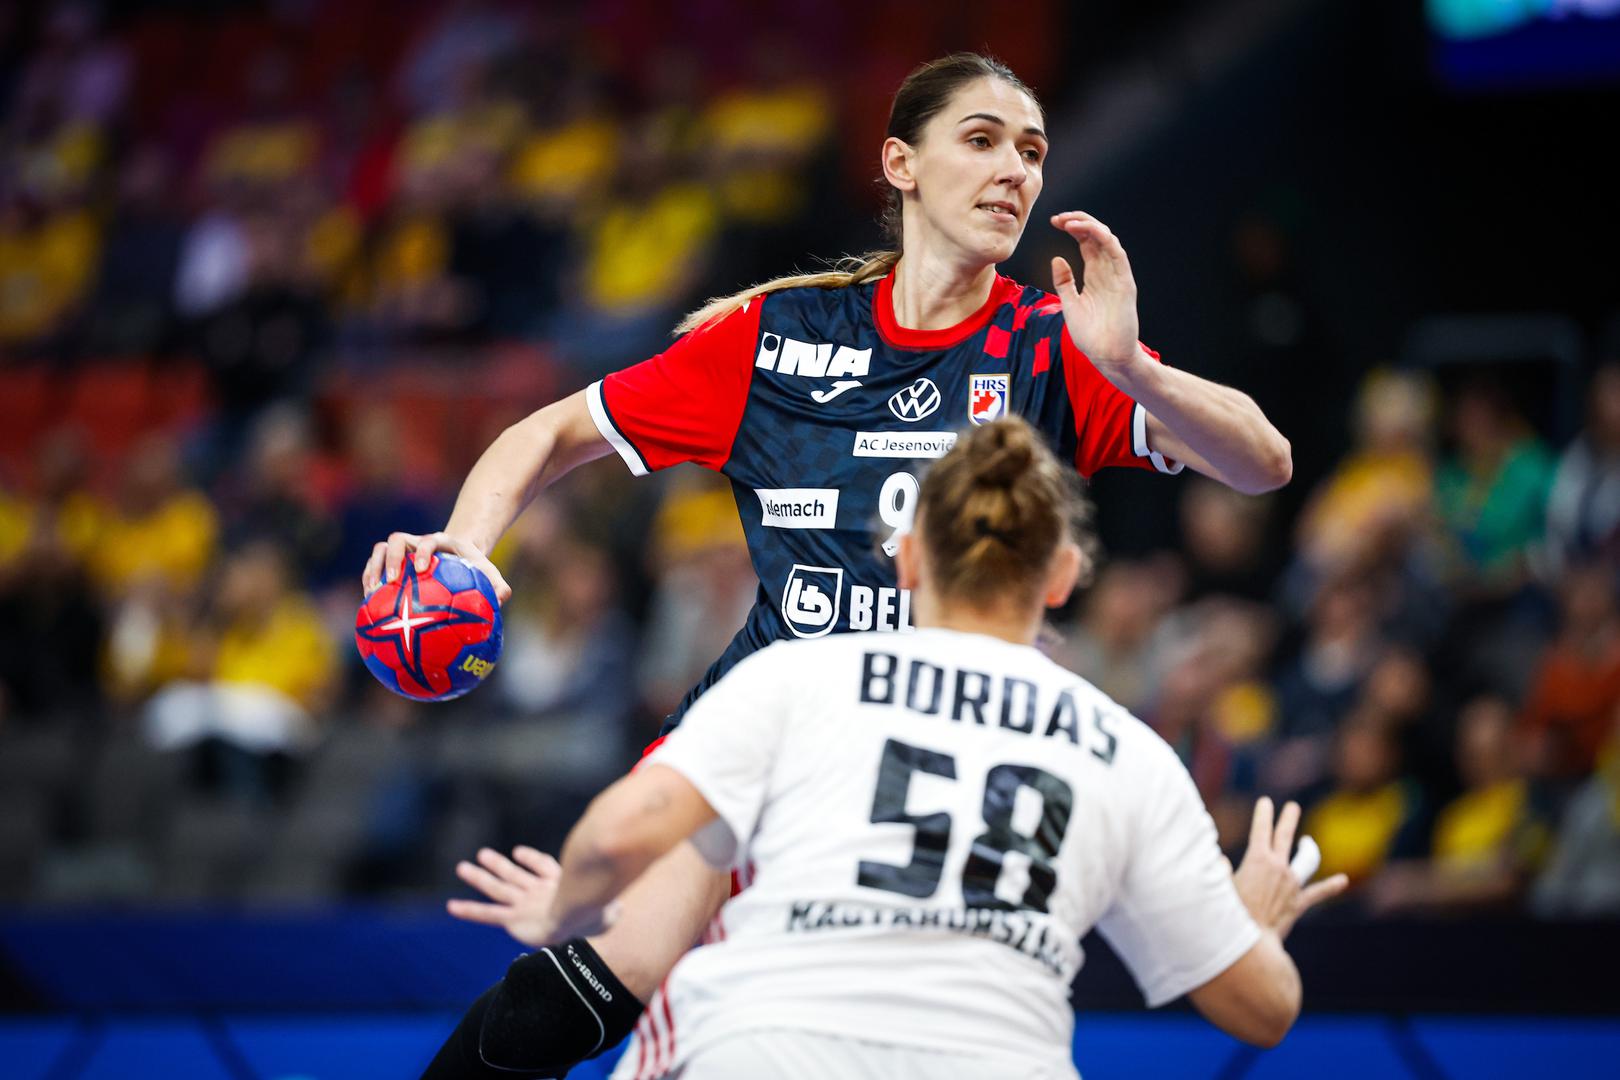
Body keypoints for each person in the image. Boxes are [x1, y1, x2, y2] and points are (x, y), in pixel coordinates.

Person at [376, 53, 1292, 1080]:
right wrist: (463, 546)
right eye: (982, 140)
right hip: (775, 722)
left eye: (1033, 152)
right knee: (597, 977)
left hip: (941, 752)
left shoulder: (1054, 344)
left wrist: (1125, 366)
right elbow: (549, 434)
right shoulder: (778, 336)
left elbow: (1262, 463)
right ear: (901, 163)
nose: (1015, 171)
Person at [447, 418, 1342, 1078]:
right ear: (1064, 575)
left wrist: (566, 903)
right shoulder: (1124, 750)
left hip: (766, 1052)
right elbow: (1262, 1010)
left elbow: (620, 832)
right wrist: (1253, 927)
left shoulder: (794, 678)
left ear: (907, 560)